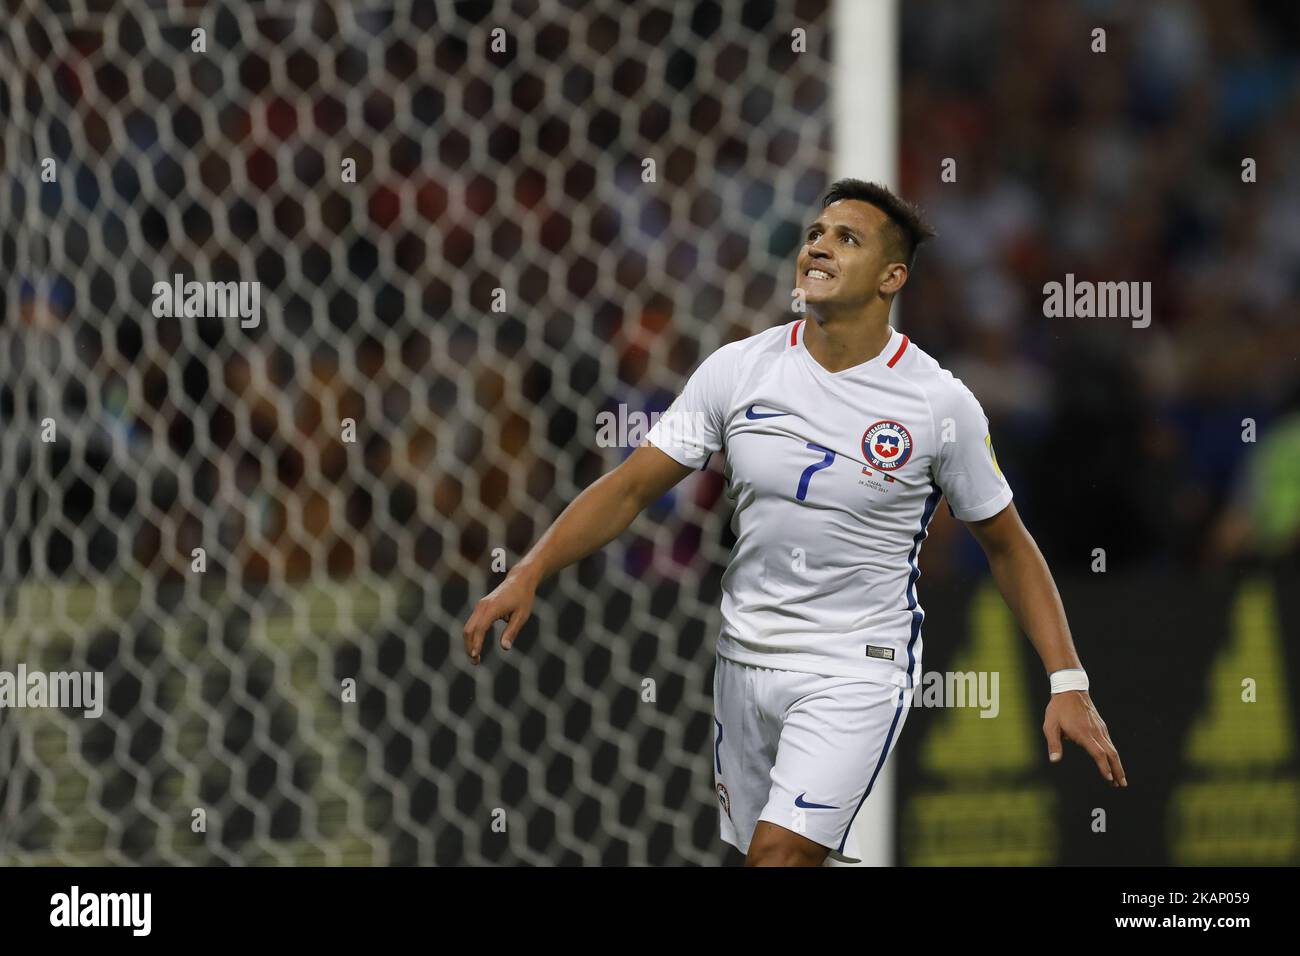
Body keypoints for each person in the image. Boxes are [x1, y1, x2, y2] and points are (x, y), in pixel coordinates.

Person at [463, 179, 1126, 866]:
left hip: (856, 666)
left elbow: (1009, 547)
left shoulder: (938, 404)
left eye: (847, 238)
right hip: (744, 659)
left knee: (777, 858)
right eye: (815, 233)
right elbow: (631, 488)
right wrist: (532, 568)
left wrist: (1067, 681)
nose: (819, 246)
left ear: (890, 277)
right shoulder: (738, 369)